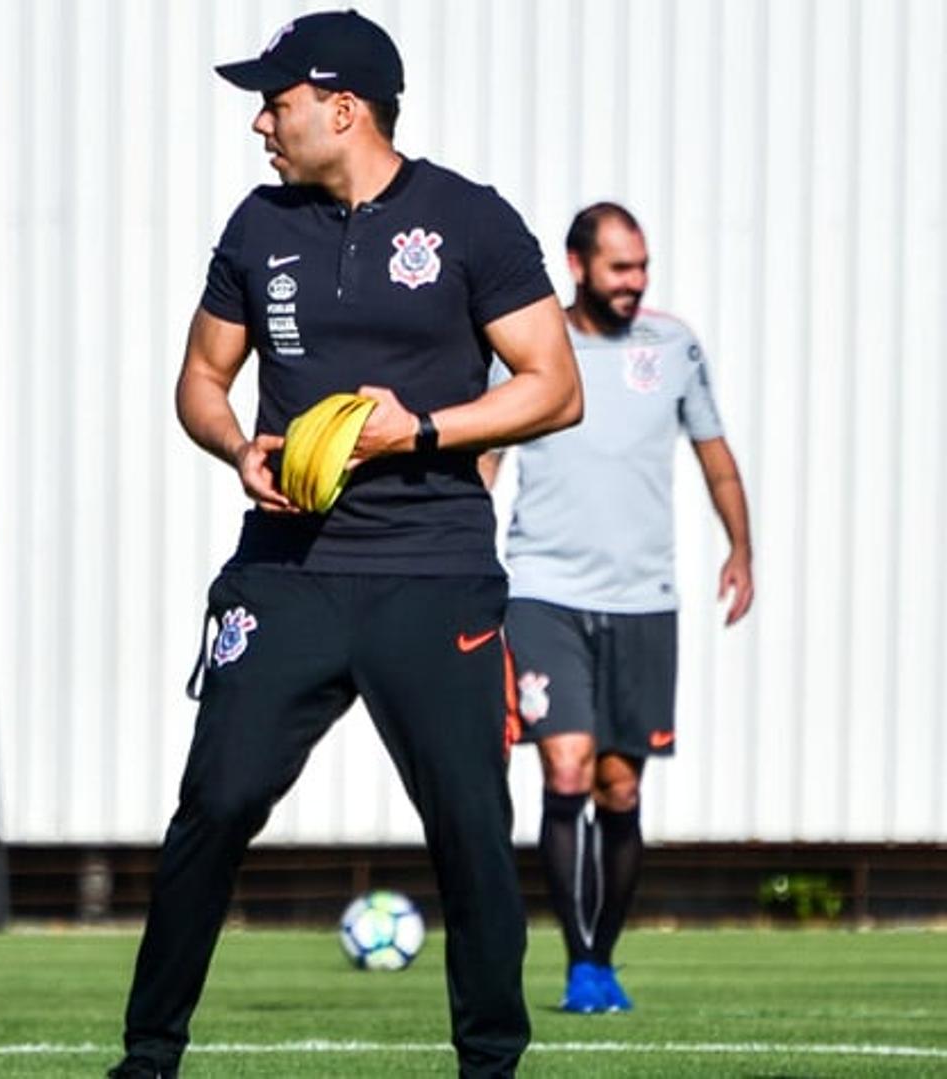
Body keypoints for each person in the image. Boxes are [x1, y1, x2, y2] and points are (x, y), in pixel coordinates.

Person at [110, 12, 584, 1079]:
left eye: (275, 102)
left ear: (343, 107)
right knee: (215, 804)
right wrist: (237, 444)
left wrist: (413, 429)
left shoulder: (469, 220)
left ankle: (491, 1063)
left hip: (434, 570)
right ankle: (146, 1058)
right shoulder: (257, 223)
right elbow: (198, 378)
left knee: (468, 823)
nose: (261, 124)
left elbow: (556, 387)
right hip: (288, 571)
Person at [486, 202, 753, 1014]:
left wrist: (741, 547)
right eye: (619, 268)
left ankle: (604, 954)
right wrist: (460, 571)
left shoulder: (672, 347)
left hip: (645, 601)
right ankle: (578, 964)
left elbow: (716, 456)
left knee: (620, 787)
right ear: (578, 266)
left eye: (641, 267)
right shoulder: (531, 348)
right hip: (543, 593)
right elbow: (485, 459)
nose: (636, 282)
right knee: (565, 765)